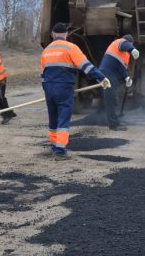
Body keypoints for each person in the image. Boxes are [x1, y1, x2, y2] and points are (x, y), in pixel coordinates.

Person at [40, 23, 111, 160]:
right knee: (63, 118)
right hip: (64, 87)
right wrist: (101, 78)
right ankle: (60, 151)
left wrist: (47, 90)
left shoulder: (46, 50)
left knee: (53, 118)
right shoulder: (70, 48)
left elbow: (43, 74)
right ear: (66, 34)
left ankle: (54, 146)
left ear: (53, 34)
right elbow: (86, 66)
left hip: (49, 87)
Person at [98, 34, 139, 131]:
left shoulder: (124, 54)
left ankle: (115, 121)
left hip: (112, 75)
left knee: (113, 98)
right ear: (129, 42)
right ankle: (113, 124)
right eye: (131, 44)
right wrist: (132, 49)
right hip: (108, 74)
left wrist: (126, 77)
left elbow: (122, 67)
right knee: (111, 99)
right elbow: (125, 44)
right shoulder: (120, 42)